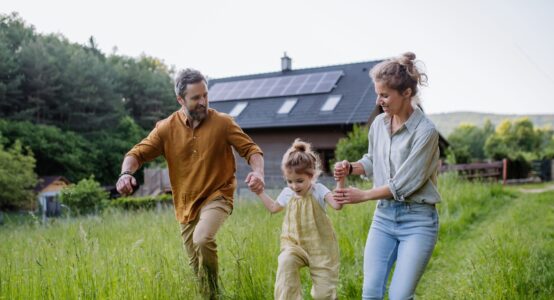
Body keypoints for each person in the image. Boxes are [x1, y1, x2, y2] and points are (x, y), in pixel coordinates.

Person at [116, 68, 265, 299]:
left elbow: (251, 149)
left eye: (205, 95)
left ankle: (216, 292)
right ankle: (211, 296)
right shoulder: (166, 128)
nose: (203, 101)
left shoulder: (223, 123)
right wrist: (125, 174)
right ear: (180, 99)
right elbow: (136, 154)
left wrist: (258, 172)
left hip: (218, 194)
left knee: (203, 238)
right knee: (197, 270)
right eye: (196, 97)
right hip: (185, 205)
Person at [334, 52, 440, 300]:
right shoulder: (379, 124)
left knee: (400, 296)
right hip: (384, 217)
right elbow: (373, 160)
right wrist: (351, 167)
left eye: (384, 95)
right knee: (370, 293)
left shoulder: (426, 132)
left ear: (406, 94)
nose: (379, 100)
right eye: (377, 94)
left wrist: (363, 195)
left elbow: (404, 183)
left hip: (418, 221)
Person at [256, 139, 342, 300]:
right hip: (294, 245)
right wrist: (260, 192)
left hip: (320, 247)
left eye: (299, 181)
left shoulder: (319, 190)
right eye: (290, 181)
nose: (294, 186)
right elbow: (274, 208)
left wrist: (340, 181)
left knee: (324, 295)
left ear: (312, 176)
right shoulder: (288, 193)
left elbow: (337, 205)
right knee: (285, 261)